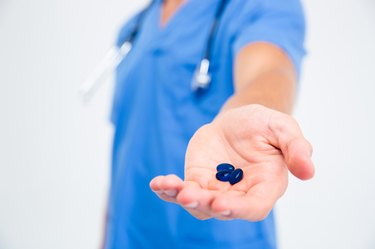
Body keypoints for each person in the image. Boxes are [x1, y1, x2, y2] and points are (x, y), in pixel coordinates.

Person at [105, 0, 315, 248]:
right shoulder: (133, 28)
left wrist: (252, 109)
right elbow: (123, 152)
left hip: (223, 237)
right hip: (128, 238)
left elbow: (268, 71)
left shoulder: (262, 6)